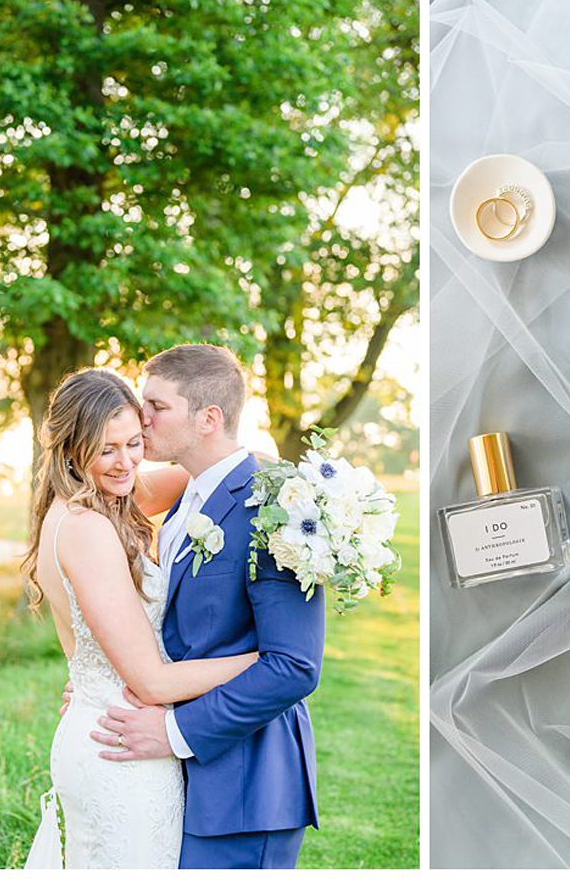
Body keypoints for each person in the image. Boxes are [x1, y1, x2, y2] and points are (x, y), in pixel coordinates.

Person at [90, 347, 324, 870]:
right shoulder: (183, 500)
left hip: (248, 786)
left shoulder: (276, 508)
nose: (138, 416)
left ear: (208, 419)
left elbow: (294, 665)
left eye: (156, 405)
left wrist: (174, 734)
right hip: (188, 785)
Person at [23, 366, 258, 869]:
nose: (125, 461)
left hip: (107, 725)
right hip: (122, 746)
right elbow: (150, 682)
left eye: (134, 443)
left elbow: (243, 465)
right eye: (106, 449)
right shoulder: (86, 527)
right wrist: (264, 661)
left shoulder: (110, 497)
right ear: (71, 449)